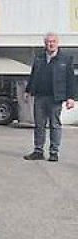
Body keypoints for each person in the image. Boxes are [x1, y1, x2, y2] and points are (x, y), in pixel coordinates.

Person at [23, 32, 75, 162]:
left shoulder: (65, 59)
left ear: (57, 43)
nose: (50, 44)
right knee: (39, 125)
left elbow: (71, 79)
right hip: (40, 96)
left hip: (55, 98)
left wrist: (71, 97)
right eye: (48, 42)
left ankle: (54, 152)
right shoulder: (39, 58)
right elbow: (33, 75)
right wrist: (28, 90)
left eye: (52, 42)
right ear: (45, 44)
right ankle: (38, 150)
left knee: (55, 125)